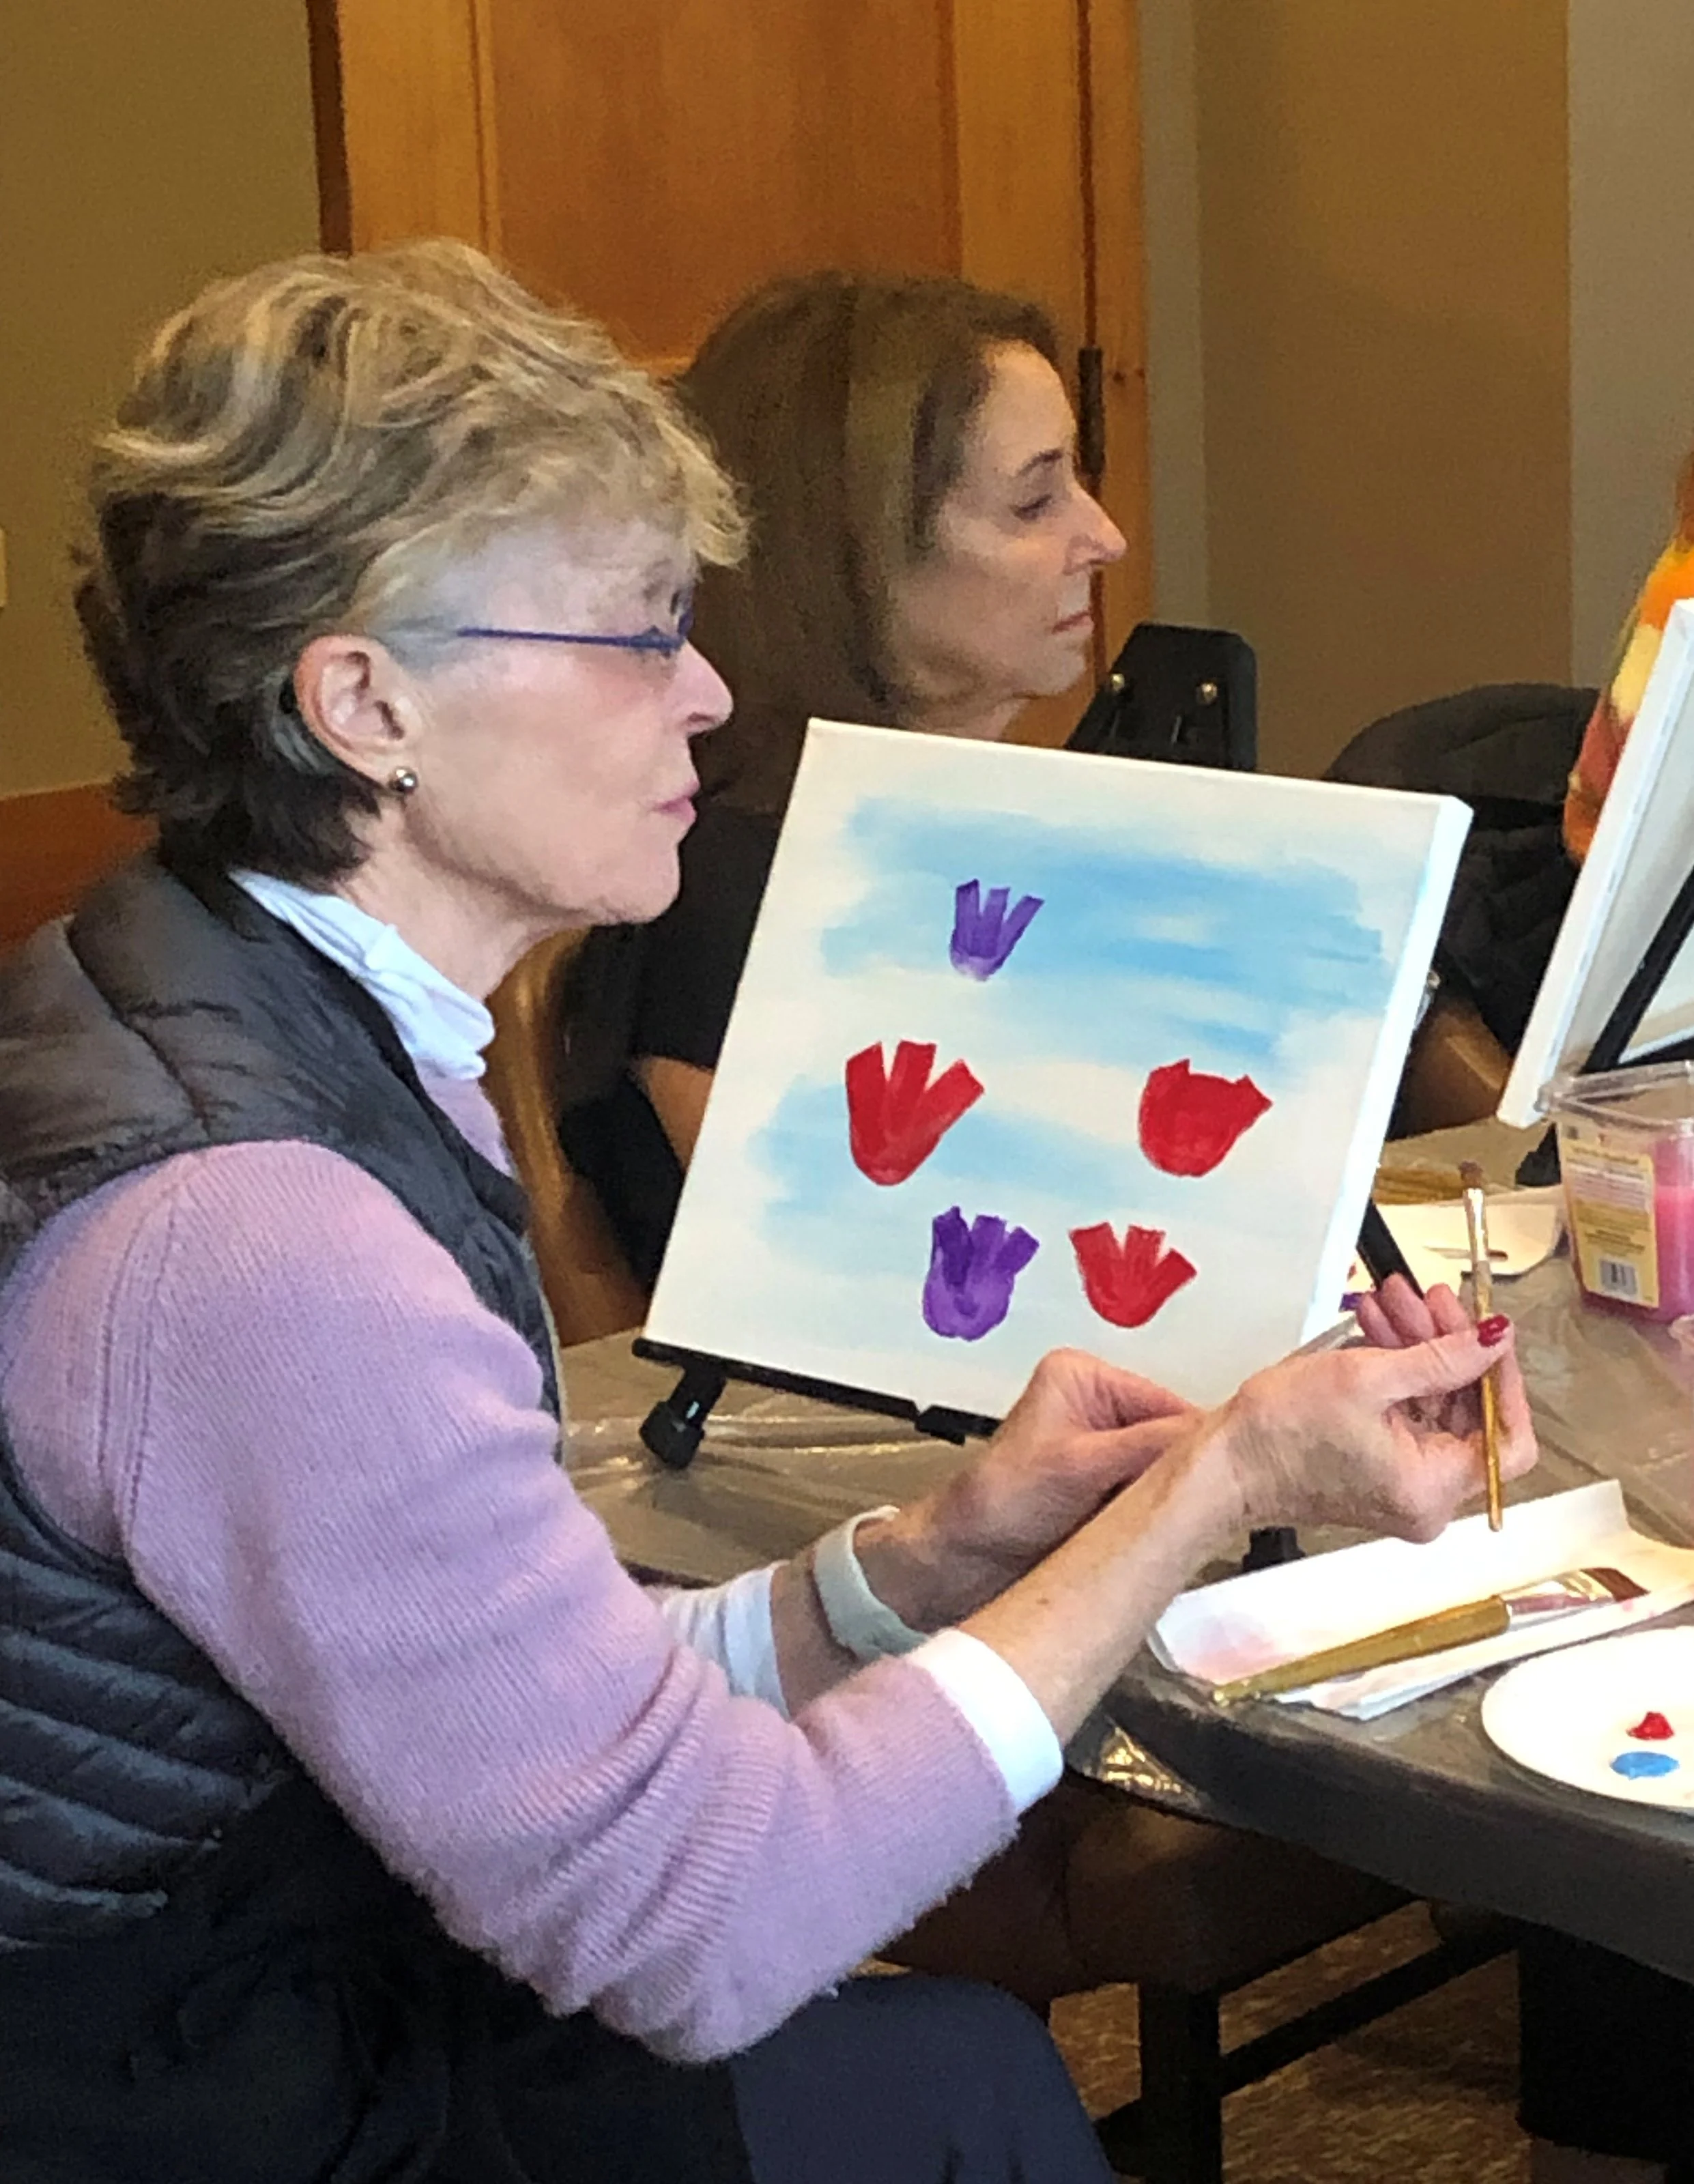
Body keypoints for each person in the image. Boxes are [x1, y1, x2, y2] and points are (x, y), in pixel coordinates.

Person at [0, 239, 1534, 2184]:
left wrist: (932, 1554)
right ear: (365, 699)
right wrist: (1206, 1490)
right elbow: (698, 1923)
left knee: (956, 2079)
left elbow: (567, 1730)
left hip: (276, 1991)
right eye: (638, 632)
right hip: (195, 2097)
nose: (710, 688)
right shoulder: (254, 1233)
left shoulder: (215, 993)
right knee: (950, 2098)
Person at [558, 270, 1125, 1285]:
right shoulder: (725, 879)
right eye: (1034, 500)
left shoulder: (1004, 827)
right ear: (852, 547)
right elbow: (848, 1277)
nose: (1105, 538)